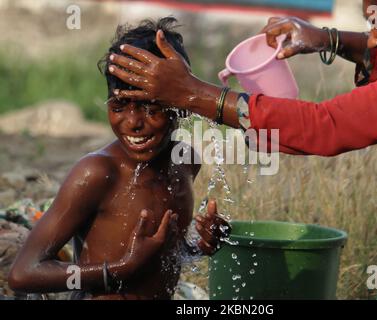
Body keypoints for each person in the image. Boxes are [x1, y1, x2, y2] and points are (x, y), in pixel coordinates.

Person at [105, 0, 377, 299]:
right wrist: (326, 39)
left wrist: (192, 93)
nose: (373, 39)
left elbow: (325, 125)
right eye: (370, 26)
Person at [8, 17, 230, 300]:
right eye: (120, 105)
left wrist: (203, 245)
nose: (133, 123)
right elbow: (23, 273)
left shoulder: (185, 161)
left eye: (151, 109)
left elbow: (163, 257)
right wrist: (120, 269)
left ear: (182, 107)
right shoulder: (98, 173)